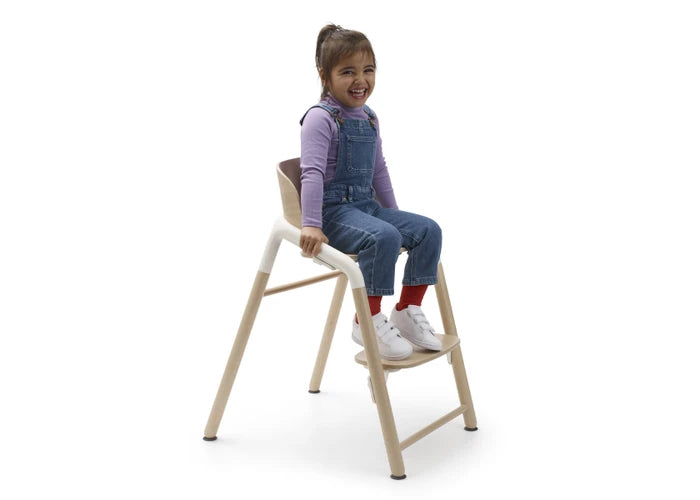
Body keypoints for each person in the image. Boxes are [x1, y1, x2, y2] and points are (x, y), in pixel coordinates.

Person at [299, 24, 443, 361]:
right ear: (325, 76)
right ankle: (366, 318)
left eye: (368, 70)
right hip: (332, 214)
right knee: (383, 237)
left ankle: (406, 309)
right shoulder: (320, 119)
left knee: (429, 230)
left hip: (366, 207)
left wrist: (394, 214)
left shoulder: (369, 118)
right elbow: (312, 173)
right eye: (347, 72)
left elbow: (379, 170)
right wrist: (311, 223)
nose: (360, 80)